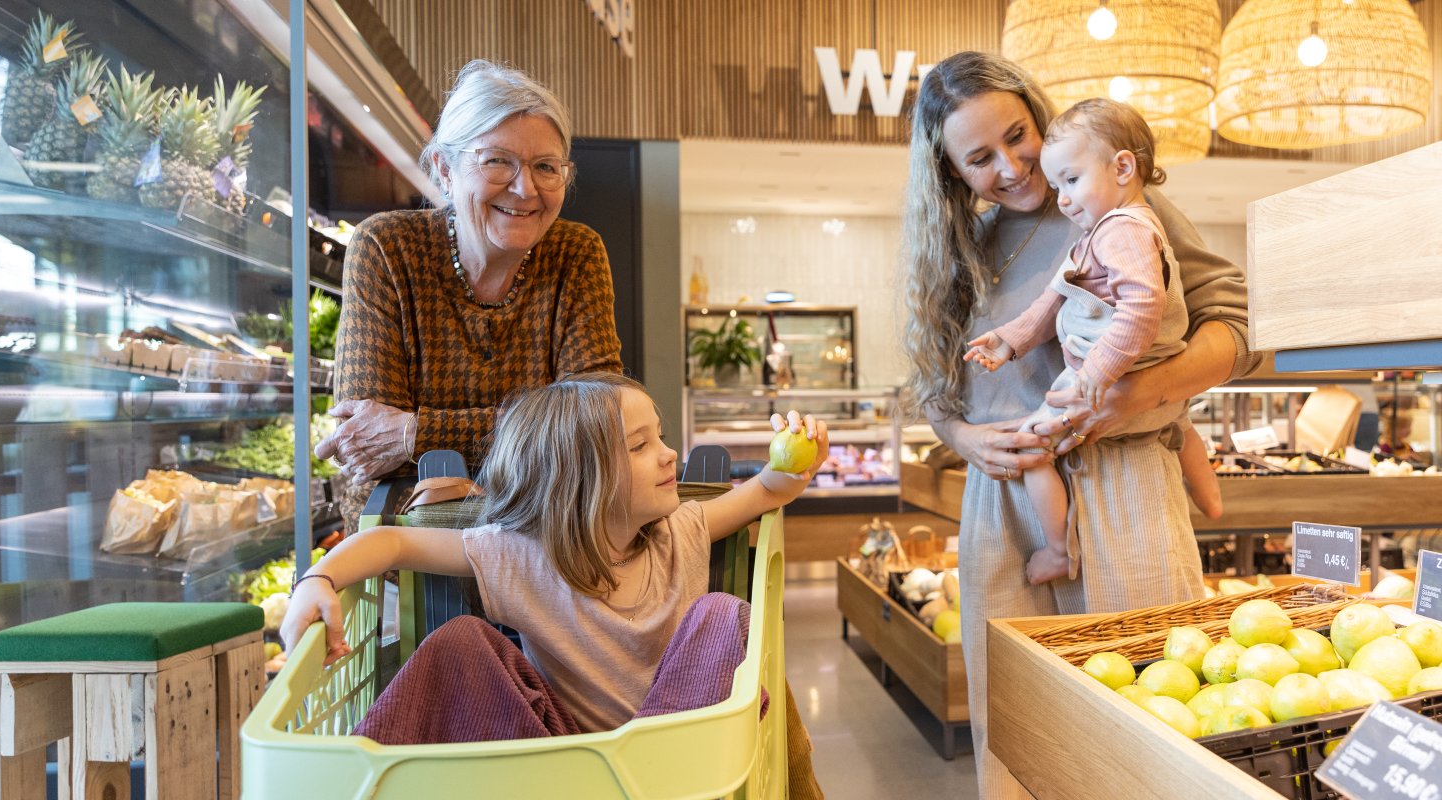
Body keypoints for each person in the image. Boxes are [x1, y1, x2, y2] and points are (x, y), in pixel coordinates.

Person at [901, 51, 1259, 797]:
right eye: (979, 158)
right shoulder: (959, 251)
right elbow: (937, 392)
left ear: (1040, 116)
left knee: (1155, 719)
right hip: (1003, 510)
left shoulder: (1126, 211)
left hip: (1124, 484)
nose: (1010, 165)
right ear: (952, 175)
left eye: (1018, 134)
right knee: (1019, 741)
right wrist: (966, 440)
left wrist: (1135, 395)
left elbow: (1242, 331)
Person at [281, 374, 825, 791]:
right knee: (461, 642)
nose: (669, 455)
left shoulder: (681, 530)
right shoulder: (523, 557)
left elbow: (765, 492)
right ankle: (360, 785)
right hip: (567, 770)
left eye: (659, 437)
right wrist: (318, 578)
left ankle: (652, 765)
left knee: (722, 615)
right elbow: (394, 542)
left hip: (675, 772)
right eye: (639, 446)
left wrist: (795, 457)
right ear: (580, 480)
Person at [315, 59, 622, 520]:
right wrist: (538, 432)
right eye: (497, 160)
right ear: (444, 167)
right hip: (404, 554)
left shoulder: (576, 254)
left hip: (539, 553)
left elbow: (596, 423)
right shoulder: (387, 248)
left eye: (545, 166)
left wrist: (413, 434)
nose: (525, 188)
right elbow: (366, 442)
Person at [964, 98, 1225, 585]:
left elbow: (1142, 306)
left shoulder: (1119, 231)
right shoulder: (1116, 229)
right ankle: (1211, 500)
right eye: (1058, 184)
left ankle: (1059, 549)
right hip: (1152, 369)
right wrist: (1010, 341)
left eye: (1071, 180)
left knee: (1030, 449)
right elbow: (1053, 300)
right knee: (1179, 421)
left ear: (1123, 167)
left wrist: (1094, 374)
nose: (1062, 198)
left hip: (1115, 371)